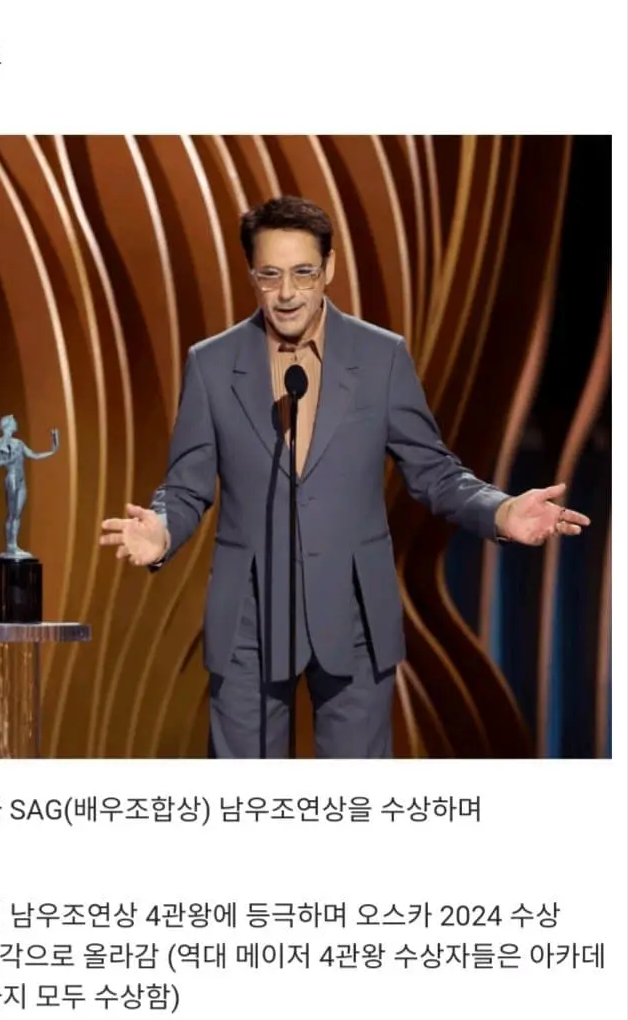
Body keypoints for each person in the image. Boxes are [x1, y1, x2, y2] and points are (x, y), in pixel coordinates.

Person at [99, 193, 590, 757]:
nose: (287, 292)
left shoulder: (380, 356)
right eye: (270, 274)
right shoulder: (211, 363)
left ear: (329, 269)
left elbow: (433, 471)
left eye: (303, 273)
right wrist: (162, 530)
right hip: (248, 621)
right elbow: (187, 485)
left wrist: (500, 510)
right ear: (252, 273)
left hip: (356, 615)